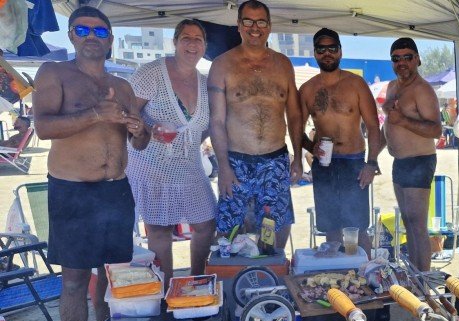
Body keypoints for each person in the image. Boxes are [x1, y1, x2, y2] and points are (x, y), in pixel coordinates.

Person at [32, 6, 147, 321]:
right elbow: (43, 126)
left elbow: (139, 141)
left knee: (112, 275)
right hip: (73, 190)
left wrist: (139, 128)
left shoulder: (123, 85)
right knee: (75, 279)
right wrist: (97, 113)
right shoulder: (54, 73)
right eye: (83, 28)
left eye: (100, 29)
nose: (92, 35)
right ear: (72, 35)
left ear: (111, 39)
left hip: (116, 191)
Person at [208, 0, 303, 250]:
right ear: (239, 26)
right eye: (248, 21)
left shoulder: (283, 65)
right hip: (236, 162)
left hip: (275, 161)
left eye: (261, 21)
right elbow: (216, 122)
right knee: (230, 231)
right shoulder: (222, 65)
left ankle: (269, 274)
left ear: (269, 26)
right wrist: (224, 167)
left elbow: (294, 114)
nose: (254, 27)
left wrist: (298, 157)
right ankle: (233, 282)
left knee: (274, 226)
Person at [126, 19, 216, 285]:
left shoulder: (206, 83)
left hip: (189, 166)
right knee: (159, 229)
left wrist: (189, 140)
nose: (192, 43)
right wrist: (149, 128)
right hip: (149, 163)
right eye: (185, 37)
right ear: (175, 42)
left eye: (198, 38)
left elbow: (205, 126)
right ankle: (164, 289)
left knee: (206, 224)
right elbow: (127, 111)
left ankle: (197, 281)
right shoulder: (151, 73)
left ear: (205, 46)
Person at [299, 29, 381, 255]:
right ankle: (337, 279)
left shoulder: (356, 84)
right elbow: (296, 130)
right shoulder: (307, 90)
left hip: (354, 162)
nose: (327, 53)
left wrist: (371, 164)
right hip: (324, 165)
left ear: (340, 51)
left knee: (358, 230)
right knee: (331, 229)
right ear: (315, 53)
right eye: (321, 49)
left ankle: (365, 273)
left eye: (332, 48)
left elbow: (374, 127)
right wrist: (309, 147)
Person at [382, 37, 442, 271]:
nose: (402, 62)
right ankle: (416, 274)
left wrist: (403, 120)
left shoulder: (423, 90)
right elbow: (387, 125)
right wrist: (373, 156)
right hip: (400, 162)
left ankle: (423, 278)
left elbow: (436, 130)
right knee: (408, 223)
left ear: (417, 59)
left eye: (407, 57)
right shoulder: (392, 87)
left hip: (420, 161)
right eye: (396, 59)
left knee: (418, 225)